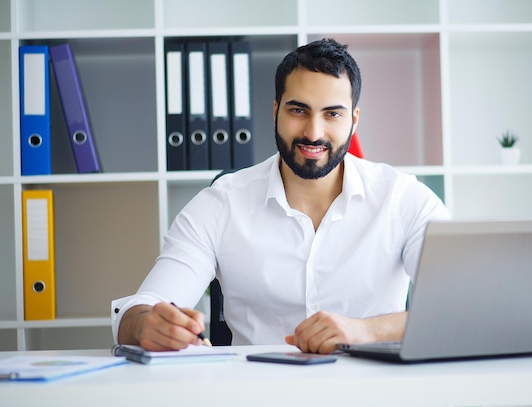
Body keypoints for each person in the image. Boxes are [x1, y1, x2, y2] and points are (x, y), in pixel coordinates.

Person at [111, 38, 449, 354]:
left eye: (332, 113)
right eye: (298, 110)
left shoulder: (403, 199)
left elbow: (463, 306)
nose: (314, 132)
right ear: (275, 111)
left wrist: (363, 331)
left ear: (353, 120)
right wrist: (147, 326)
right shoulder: (222, 203)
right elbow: (137, 311)